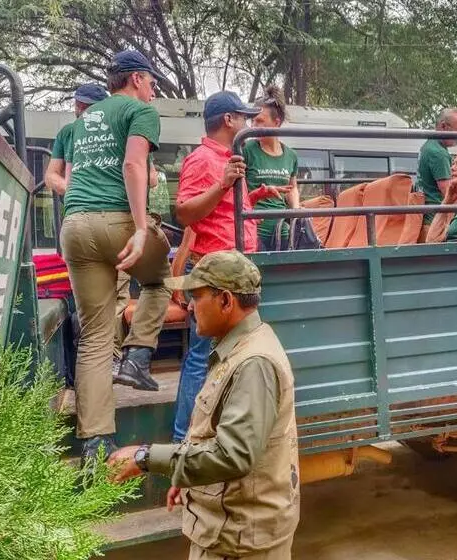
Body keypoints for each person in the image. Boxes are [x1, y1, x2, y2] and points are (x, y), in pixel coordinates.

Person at [108, 251, 300, 560]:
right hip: (229, 531)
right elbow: (215, 433)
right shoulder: (236, 348)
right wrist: (189, 482)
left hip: (240, 544)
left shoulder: (253, 363)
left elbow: (232, 454)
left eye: (196, 297)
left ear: (225, 301)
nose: (189, 307)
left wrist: (146, 457)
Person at [62, 50, 172, 462]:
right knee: (160, 281)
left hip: (74, 227)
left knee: (93, 336)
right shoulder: (139, 111)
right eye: (153, 82)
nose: (155, 89)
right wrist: (143, 228)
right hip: (118, 222)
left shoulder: (80, 123)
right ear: (138, 79)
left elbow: (70, 180)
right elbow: (132, 164)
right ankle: (137, 357)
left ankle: (96, 444)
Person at [172, 90, 288, 443]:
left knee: (225, 354)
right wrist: (224, 182)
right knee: (200, 356)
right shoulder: (203, 159)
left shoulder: (227, 157)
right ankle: (183, 440)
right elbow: (186, 212)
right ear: (228, 120)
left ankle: (210, 432)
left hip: (232, 273)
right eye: (243, 117)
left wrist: (253, 196)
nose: (248, 122)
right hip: (217, 274)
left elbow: (221, 211)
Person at [243, 85, 300, 251]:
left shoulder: (291, 156)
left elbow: (292, 188)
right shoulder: (247, 150)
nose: (254, 125)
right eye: (252, 120)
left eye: (260, 120)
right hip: (255, 229)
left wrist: (296, 213)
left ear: (277, 122)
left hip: (281, 230)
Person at [45, 83, 109, 196]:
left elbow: (151, 176)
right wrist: (75, 192)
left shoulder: (117, 130)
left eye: (87, 106)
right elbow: (51, 176)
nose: (81, 110)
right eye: (78, 105)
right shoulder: (67, 132)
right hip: (77, 206)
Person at [413, 107, 457, 238]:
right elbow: (449, 192)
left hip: (427, 217)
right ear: (443, 126)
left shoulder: (428, 145)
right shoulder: (438, 153)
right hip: (435, 221)